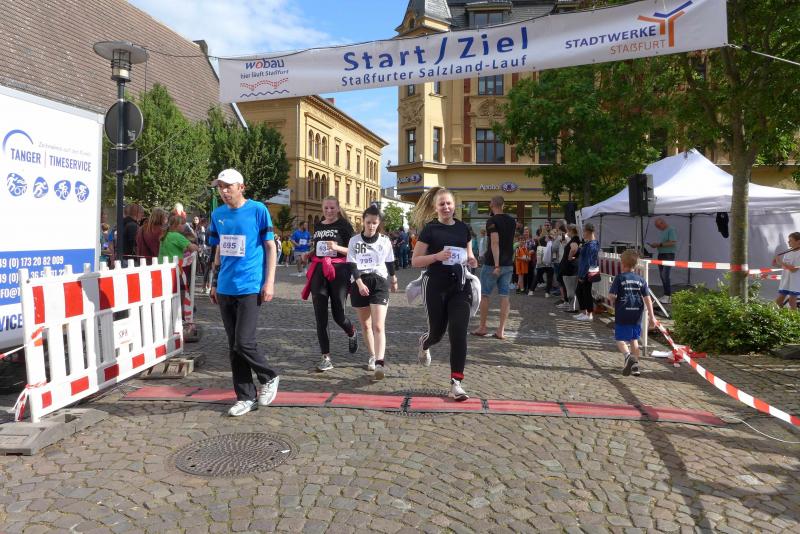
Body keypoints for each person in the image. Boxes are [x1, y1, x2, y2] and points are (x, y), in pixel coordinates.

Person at [207, 168, 280, 417]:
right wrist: (214, 282)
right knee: (233, 346)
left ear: (241, 187)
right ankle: (246, 397)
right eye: (220, 187)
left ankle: (269, 376)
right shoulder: (217, 214)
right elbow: (218, 250)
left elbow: (270, 247)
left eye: (228, 186)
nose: (224, 191)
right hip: (225, 286)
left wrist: (269, 282)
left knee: (244, 341)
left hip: (250, 285)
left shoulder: (258, 210)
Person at [411, 187, 478, 401]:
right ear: (435, 207)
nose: (446, 207)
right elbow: (415, 261)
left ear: (454, 205)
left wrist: (472, 260)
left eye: (449, 203)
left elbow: (469, 255)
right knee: (437, 333)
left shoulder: (463, 228)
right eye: (442, 204)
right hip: (435, 286)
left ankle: (456, 383)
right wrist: (437, 256)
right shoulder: (430, 230)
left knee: (458, 331)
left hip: (460, 286)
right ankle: (425, 342)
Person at [301, 196, 358, 371]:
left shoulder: (345, 226)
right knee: (320, 316)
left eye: (332, 208)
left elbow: (354, 251)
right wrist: (309, 254)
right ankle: (325, 357)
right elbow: (318, 247)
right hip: (319, 271)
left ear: (338, 208)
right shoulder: (319, 225)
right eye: (326, 208)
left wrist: (337, 248)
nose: (329, 211)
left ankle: (351, 331)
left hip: (339, 271)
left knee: (338, 315)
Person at [348, 205, 398, 380]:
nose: (371, 226)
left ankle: (379, 362)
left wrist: (393, 279)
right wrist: (359, 283)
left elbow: (390, 262)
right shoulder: (354, 241)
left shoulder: (385, 241)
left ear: (379, 223)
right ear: (363, 221)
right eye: (368, 222)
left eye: (374, 223)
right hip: (359, 282)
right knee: (366, 325)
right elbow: (352, 264)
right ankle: (372, 355)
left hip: (379, 282)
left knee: (378, 325)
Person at [471, 196, 516, 339]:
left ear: (491, 205)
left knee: (485, 295)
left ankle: (482, 327)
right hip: (508, 263)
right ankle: (501, 330)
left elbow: (495, 242)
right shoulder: (512, 221)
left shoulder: (492, 221)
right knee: (505, 296)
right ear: (503, 205)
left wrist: (497, 265)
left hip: (493, 264)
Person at [608, 250, 656, 377]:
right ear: (635, 265)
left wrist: (612, 298)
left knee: (620, 339)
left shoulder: (619, 278)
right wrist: (652, 316)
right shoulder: (641, 280)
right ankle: (635, 367)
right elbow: (648, 299)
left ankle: (628, 356)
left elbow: (611, 296)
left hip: (623, 312)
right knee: (634, 340)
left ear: (623, 264)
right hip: (636, 314)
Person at [648, 218, 678, 304]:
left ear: (663, 223)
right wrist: (657, 245)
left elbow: (673, 242)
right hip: (662, 254)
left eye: (658, 226)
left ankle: (668, 296)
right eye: (656, 226)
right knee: (662, 275)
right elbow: (666, 243)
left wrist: (659, 244)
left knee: (665, 275)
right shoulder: (663, 231)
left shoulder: (671, 230)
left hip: (668, 255)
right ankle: (666, 295)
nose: (658, 228)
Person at [575, 222, 600, 321]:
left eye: (584, 231)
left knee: (586, 292)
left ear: (589, 232)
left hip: (587, 272)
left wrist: (583, 275)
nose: (583, 234)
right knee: (580, 291)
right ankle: (584, 312)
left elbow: (589, 261)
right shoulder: (589, 243)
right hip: (584, 271)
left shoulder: (592, 245)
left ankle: (589, 314)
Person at [557, 224, 581, 311]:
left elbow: (574, 249)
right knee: (570, 288)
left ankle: (572, 308)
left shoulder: (574, 240)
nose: (567, 233)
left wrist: (569, 257)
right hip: (570, 267)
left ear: (571, 231)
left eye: (568, 231)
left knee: (570, 289)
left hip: (569, 267)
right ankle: (571, 306)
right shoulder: (575, 239)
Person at [774, 232, 800, 310]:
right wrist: (776, 263)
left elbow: (794, 269)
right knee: (779, 301)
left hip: (795, 282)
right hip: (786, 281)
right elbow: (784, 266)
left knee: (792, 302)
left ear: (798, 241)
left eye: (790, 240)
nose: (788, 242)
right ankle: (778, 315)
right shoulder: (788, 252)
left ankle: (794, 318)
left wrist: (780, 262)